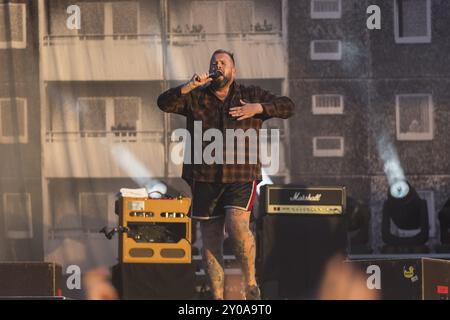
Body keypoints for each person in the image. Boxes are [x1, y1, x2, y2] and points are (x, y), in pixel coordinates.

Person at [157, 49, 295, 300]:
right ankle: (217, 297)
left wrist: (258, 108)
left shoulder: (250, 94)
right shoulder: (196, 97)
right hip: (204, 176)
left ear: (233, 70)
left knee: (237, 224)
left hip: (241, 174)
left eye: (223, 62)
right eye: (214, 62)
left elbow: (288, 106)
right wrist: (189, 85)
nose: (217, 65)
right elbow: (164, 103)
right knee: (210, 238)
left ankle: (250, 283)